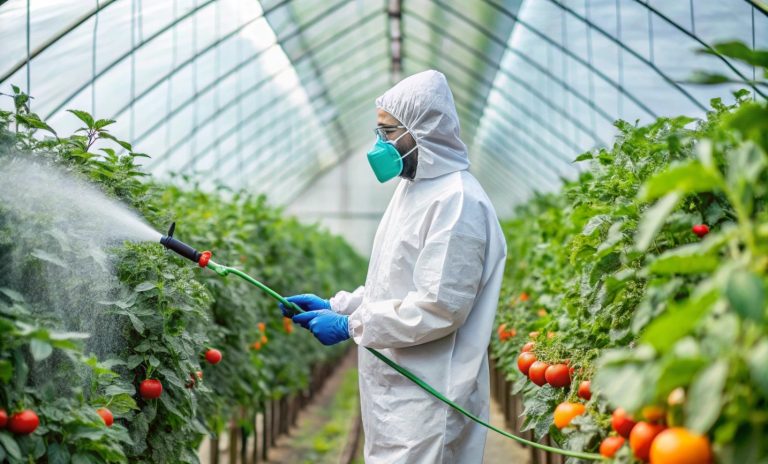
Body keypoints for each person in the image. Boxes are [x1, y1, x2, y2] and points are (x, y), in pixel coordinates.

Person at [280, 70, 507, 463]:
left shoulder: (457, 203)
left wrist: (352, 326)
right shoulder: (413, 191)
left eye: (387, 133)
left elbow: (437, 308)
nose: (379, 144)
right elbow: (393, 285)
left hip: (430, 400)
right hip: (396, 396)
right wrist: (338, 306)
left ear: (421, 130)